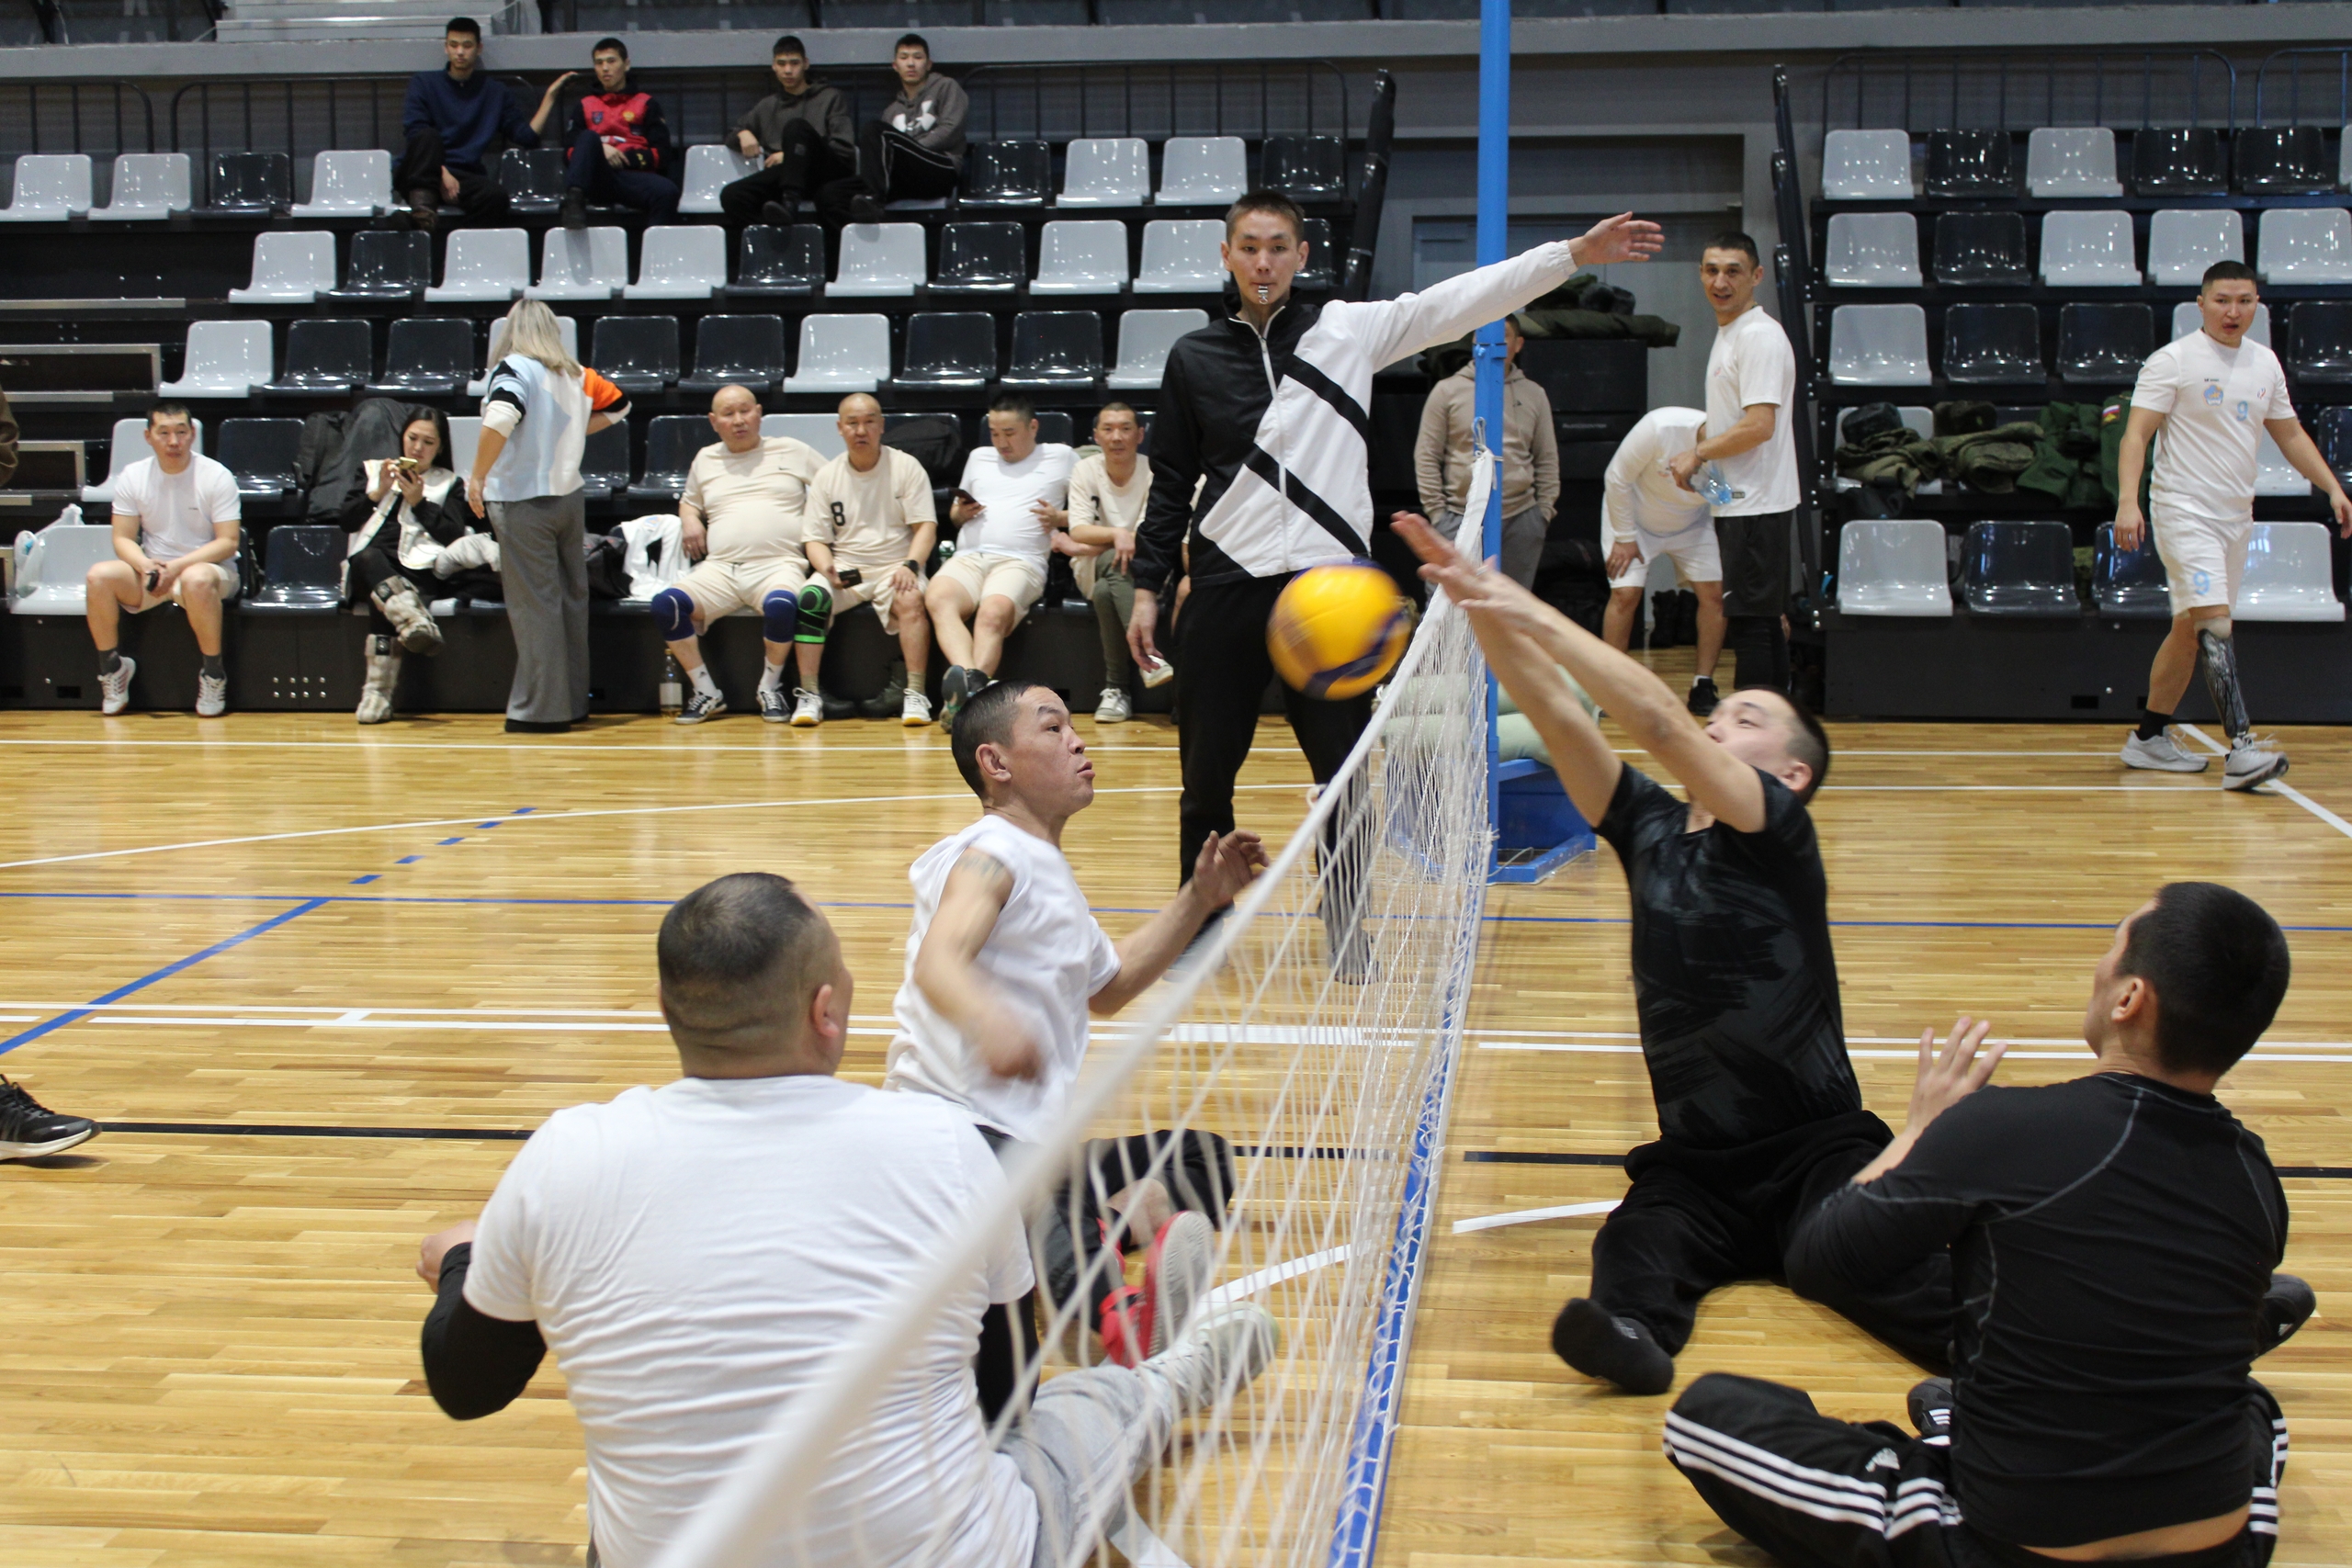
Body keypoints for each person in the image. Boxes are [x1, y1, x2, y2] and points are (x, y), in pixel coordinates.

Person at [415, 871, 1278, 1568]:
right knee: (1089, 1408)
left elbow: (467, 1384)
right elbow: (1005, 1394)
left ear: (668, 1007)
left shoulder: (566, 1154)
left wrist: (467, 1258)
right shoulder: (941, 1143)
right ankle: (1173, 1373)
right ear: (827, 1014)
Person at [1394, 513, 1950, 1396]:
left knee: (1867, 1263)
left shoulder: (1777, 831)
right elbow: (1547, 703)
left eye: (1747, 715)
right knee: (1634, 1238)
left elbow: (1654, 716)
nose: (1720, 720)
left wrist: (1526, 607)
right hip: (1701, 1163)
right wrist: (1478, 606)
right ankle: (1631, 1336)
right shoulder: (1648, 825)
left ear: (1793, 772)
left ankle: (2005, 1345)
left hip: (1816, 1146)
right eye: (1722, 710)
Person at [1668, 882, 2315, 1568]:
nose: (2098, 964)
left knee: (1707, 1418)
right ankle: (1963, 1423)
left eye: (2112, 944)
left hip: (2002, 1546)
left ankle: (1948, 1443)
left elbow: (1819, 1258)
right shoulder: (2256, 1175)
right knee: (2253, 1406)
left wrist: (1920, 1129)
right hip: (2219, 1551)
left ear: (2129, 999)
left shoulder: (2003, 1127)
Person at [1127, 191, 1660, 963]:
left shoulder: (1347, 331)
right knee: (1204, 784)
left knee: (1347, 781)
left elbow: (1462, 299)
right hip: (1223, 591)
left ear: (1302, 255)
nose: (1264, 261)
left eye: (1279, 246)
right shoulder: (1193, 358)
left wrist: (1572, 254)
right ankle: (1197, 929)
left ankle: (1348, 933)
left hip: (1331, 596)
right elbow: (1171, 481)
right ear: (1227, 256)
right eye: (1249, 247)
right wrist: (1149, 586)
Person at [886, 680, 1269, 1403]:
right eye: (1053, 728)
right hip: (956, 1137)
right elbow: (941, 960)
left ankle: (1119, 1219)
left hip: (1026, 1146)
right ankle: (1113, 1319)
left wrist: (1199, 897)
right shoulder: (991, 851)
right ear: (996, 763)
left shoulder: (1046, 873)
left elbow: (1111, 983)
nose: (1079, 739)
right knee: (1034, 1210)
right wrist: (990, 1020)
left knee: (1200, 1159)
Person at [2116, 260, 2352, 791]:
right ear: (2200, 303)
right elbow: (2136, 437)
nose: (2233, 311)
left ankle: (2148, 738)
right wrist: (2127, 501)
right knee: (2215, 625)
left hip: (2234, 517)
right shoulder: (2172, 361)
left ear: (2257, 306)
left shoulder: (2264, 363)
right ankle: (2242, 750)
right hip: (2183, 511)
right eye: (2222, 300)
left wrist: (2333, 487)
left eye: (2244, 301)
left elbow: (2290, 436)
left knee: (2190, 630)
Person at [467, 300, 631, 735]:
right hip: (569, 498)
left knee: (534, 606)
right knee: (571, 601)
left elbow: (501, 416)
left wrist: (477, 476)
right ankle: (573, 703)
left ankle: (541, 710)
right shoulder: (577, 374)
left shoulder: (513, 369)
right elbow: (620, 406)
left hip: (522, 500)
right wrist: (576, 430)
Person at [1665, 232, 1798, 696]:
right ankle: (1774, 730)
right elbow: (1735, 420)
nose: (1720, 281)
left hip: (1756, 506)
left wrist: (1698, 453)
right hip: (1741, 501)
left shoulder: (1758, 336)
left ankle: (1754, 743)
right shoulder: (1732, 334)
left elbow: (1760, 425)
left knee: (1752, 626)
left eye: (1733, 271)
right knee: (1759, 621)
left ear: (1756, 277)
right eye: (1711, 270)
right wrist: (1701, 460)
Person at [650, 385, 831, 727]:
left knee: (781, 605)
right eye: (728, 414)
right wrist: (689, 518)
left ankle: (770, 686)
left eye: (745, 411)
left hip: (779, 565)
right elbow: (690, 500)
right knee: (666, 605)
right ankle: (706, 691)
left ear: (759, 413)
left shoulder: (792, 450)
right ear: (714, 421)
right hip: (719, 569)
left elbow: (837, 485)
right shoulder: (705, 458)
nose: (739, 420)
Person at [339, 409, 501, 725]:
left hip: (418, 571)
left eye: (428, 442)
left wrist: (420, 503)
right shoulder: (373, 471)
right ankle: (413, 622)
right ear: (402, 436)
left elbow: (453, 535)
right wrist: (378, 492)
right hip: (368, 567)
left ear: (439, 448)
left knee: (386, 595)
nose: (417, 448)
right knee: (369, 559)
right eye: (413, 438)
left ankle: (378, 695)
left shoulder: (450, 484)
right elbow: (346, 520)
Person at [87, 401, 241, 719]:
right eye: (165, 433)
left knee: (196, 579)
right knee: (98, 576)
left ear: (193, 434)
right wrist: (146, 566)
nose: (174, 441)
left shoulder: (216, 475)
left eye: (181, 433)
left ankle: (213, 675)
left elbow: (228, 541)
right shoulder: (133, 476)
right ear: (148, 436)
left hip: (211, 571)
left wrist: (177, 568)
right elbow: (122, 538)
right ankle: (113, 669)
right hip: (155, 571)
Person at [927, 393, 1074, 723]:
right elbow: (953, 516)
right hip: (969, 556)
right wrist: (961, 512)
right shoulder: (979, 457)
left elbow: (1091, 503)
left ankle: (964, 698)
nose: (1001, 442)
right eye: (994, 433)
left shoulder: (1061, 456)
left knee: (993, 612)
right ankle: (972, 690)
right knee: (937, 596)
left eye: (1009, 433)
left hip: (1021, 560)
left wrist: (1060, 518)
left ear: (1033, 427)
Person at [804, 392, 938, 728]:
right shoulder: (827, 476)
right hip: (848, 568)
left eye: (868, 422)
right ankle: (808, 695)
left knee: (911, 599)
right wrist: (826, 568)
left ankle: (916, 693)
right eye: (852, 423)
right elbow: (815, 540)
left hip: (895, 565)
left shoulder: (906, 466)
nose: (860, 430)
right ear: (840, 428)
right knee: (810, 598)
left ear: (881, 425)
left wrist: (911, 564)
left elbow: (926, 527)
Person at [1413, 313, 1559, 588]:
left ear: (1518, 344)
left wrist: (1542, 513)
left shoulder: (1534, 394)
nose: (1493, 342)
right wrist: (1438, 514)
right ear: (1474, 341)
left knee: (1512, 610)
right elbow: (1427, 455)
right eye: (1484, 334)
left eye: (1503, 335)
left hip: (1520, 518)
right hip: (1458, 516)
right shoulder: (1447, 391)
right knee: (1448, 604)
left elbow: (1547, 457)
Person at [1602, 406, 1727, 713]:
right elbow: (1616, 478)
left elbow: (1733, 501)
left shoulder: (1737, 454)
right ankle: (1610, 687)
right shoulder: (1660, 426)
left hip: (1692, 524)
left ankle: (1703, 684)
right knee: (1625, 594)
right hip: (1633, 520)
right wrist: (1625, 537)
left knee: (1714, 596)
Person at [387, 17, 563, 233]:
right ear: (446, 47)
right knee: (426, 135)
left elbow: (526, 137)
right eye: (454, 45)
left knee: (496, 197)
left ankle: (445, 239)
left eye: (467, 45)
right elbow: (415, 133)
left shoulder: (494, 92)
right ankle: (422, 217)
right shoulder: (423, 83)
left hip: (463, 177)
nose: (460, 52)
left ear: (478, 49)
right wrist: (441, 172)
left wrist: (550, 97)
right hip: (421, 170)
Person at [1058, 402, 1155, 725]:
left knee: (1105, 591)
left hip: (1145, 570)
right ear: (1096, 436)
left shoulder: (1154, 470)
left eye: (1126, 428)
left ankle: (1117, 690)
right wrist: (1117, 534)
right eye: (1109, 429)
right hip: (1092, 565)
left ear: (1140, 434)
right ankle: (1149, 659)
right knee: (1113, 562)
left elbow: (1149, 537)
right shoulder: (1084, 471)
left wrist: (1085, 545)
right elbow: (1078, 528)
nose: (1117, 437)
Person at [719, 34, 854, 230]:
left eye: (794, 63)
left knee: (796, 127)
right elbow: (732, 133)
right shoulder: (767, 106)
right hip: (786, 177)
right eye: (781, 64)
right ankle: (777, 237)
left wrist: (793, 155)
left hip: (824, 172)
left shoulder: (830, 97)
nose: (788, 70)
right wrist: (742, 133)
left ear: (805, 64)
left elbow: (843, 150)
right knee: (732, 196)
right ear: (774, 66)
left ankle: (789, 207)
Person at [831, 34, 967, 224]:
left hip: (941, 169)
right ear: (895, 66)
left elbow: (951, 130)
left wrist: (911, 149)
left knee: (874, 130)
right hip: (903, 177)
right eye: (904, 58)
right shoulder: (891, 111)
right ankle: (864, 241)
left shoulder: (946, 87)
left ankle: (874, 200)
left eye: (917, 57)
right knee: (831, 194)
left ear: (928, 64)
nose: (911, 64)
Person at [551, 38, 678, 231]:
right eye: (599, 63)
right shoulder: (585, 105)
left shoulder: (646, 103)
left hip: (630, 177)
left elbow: (662, 155)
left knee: (667, 192)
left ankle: (655, 255)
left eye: (611, 61)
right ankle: (573, 205)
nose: (605, 68)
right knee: (587, 137)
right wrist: (600, 152)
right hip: (594, 178)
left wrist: (623, 158)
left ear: (626, 64)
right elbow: (569, 154)